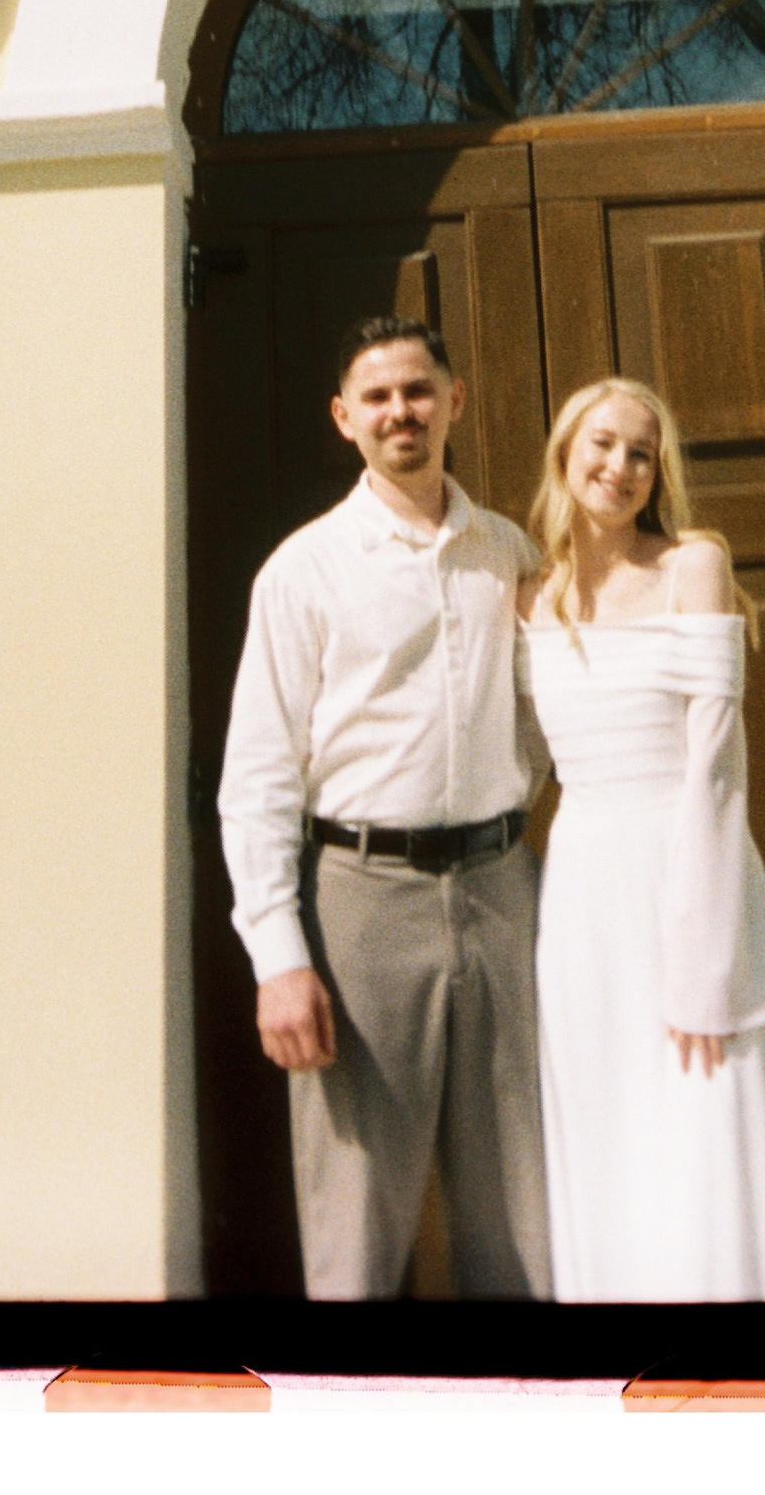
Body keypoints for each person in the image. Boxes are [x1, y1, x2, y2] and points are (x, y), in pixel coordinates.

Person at [217, 316, 552, 1300]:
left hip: (501, 892)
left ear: (456, 400)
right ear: (344, 418)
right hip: (363, 901)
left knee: (520, 1212)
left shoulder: (508, 552)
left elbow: (545, 724)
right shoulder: (303, 571)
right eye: (377, 396)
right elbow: (259, 777)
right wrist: (279, 959)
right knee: (358, 1226)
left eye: (417, 390)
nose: (399, 410)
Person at [517, 377, 765, 1300]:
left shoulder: (690, 567)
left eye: (641, 454)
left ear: (661, 476)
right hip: (583, 891)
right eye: (603, 444)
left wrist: (705, 961)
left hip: (686, 867)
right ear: (566, 452)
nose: (619, 467)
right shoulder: (530, 597)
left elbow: (716, 768)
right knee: (613, 1124)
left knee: (707, 1112)